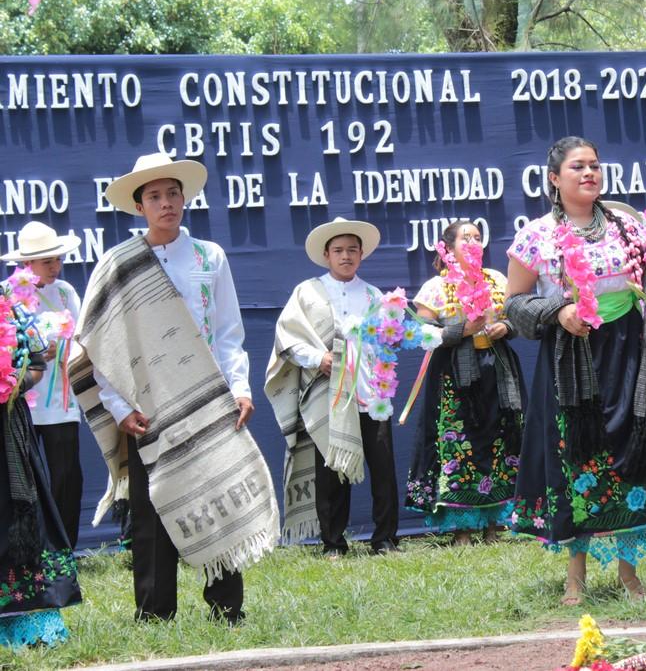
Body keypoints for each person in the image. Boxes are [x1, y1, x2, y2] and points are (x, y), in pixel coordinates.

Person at [72, 153, 279, 623]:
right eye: (154, 196)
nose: (165, 203)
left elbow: (228, 331)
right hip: (147, 405)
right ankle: (154, 612)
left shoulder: (210, 257)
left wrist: (240, 388)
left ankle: (227, 608)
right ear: (139, 205)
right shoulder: (118, 266)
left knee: (218, 496)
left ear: (184, 199)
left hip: (208, 400)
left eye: (172, 194)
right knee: (150, 512)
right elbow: (101, 346)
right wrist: (118, 405)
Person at [505, 136, 646, 606]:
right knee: (577, 456)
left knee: (632, 449)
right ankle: (576, 575)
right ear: (554, 179)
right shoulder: (536, 235)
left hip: (630, 352)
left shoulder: (628, 228)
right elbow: (513, 304)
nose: (589, 173)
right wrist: (557, 312)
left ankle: (630, 573)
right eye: (577, 167)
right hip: (571, 356)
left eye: (594, 165)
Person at [266, 217, 400, 556]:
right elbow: (288, 337)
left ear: (361, 255)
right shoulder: (308, 293)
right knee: (331, 467)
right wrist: (318, 359)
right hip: (328, 392)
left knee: (382, 465)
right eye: (338, 250)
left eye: (352, 250)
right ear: (326, 255)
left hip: (370, 392)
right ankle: (333, 542)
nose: (346, 256)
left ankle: (384, 538)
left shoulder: (373, 295)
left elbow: (387, 341)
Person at [404, 220, 525, 545]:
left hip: (497, 371)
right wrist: (461, 331)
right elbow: (420, 334)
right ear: (449, 249)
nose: (473, 243)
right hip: (454, 376)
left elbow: (516, 316)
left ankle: (494, 524)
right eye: (464, 238)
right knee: (460, 445)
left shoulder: (497, 280)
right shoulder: (435, 288)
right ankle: (462, 527)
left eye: (477, 237)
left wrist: (506, 328)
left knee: (501, 441)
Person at [0, 275, 81, 648]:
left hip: (8, 437)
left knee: (22, 523)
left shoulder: (8, 307)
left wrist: (12, 384)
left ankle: (28, 626)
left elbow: (36, 363)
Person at [1, 222, 84, 549]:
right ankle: (31, 550)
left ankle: (66, 550)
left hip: (61, 402)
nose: (55, 266)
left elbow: (81, 338)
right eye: (47, 260)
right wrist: (31, 356)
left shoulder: (65, 292)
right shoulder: (7, 294)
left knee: (68, 478)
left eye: (57, 259)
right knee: (26, 482)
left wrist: (61, 350)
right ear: (28, 263)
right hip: (20, 402)